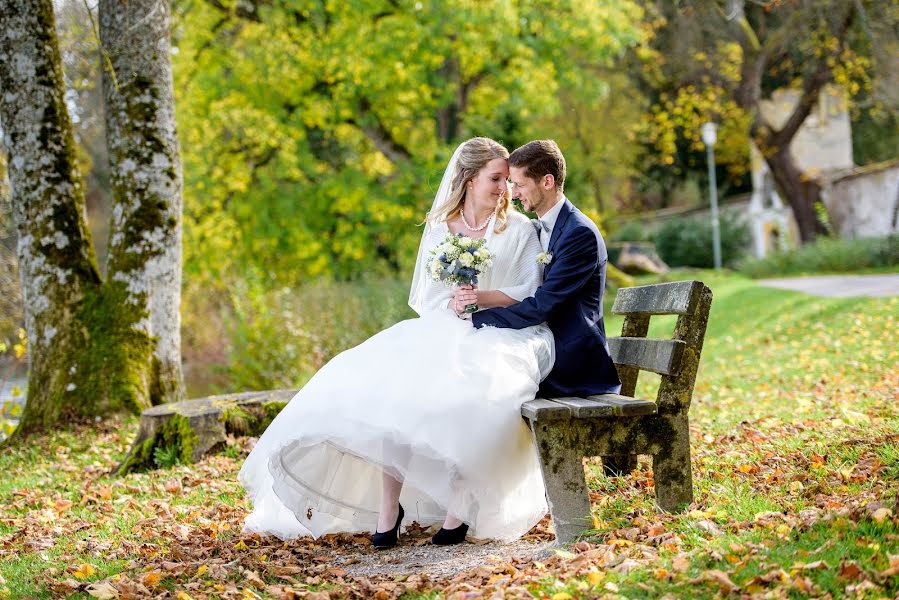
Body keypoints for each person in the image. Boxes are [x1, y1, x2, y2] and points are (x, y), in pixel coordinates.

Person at [239, 137, 554, 548]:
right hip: (446, 325)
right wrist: (455, 306)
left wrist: (482, 299)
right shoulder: (443, 227)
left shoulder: (519, 229)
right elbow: (428, 295)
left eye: (506, 181)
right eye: (495, 179)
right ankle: (390, 508)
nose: (504, 189)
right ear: (469, 179)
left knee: (477, 388)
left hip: (504, 330)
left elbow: (531, 290)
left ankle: (459, 507)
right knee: (394, 391)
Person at [453, 139, 621, 398]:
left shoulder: (579, 234)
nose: (513, 193)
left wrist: (477, 319)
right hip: (542, 346)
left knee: (480, 380)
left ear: (547, 182)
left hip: (571, 364)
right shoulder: (542, 228)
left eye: (519, 184)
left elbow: (542, 306)